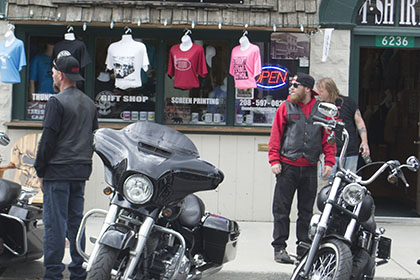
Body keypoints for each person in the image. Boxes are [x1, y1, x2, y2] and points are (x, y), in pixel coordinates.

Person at [34, 54, 98, 280]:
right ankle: (77, 272)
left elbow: (47, 140)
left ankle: (53, 274)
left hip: (57, 171)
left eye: (53, 71)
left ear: (60, 75)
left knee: (54, 224)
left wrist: (40, 170)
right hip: (79, 171)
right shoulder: (90, 104)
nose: (51, 74)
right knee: (75, 223)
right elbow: (93, 138)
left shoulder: (56, 102)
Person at [268, 73, 336, 264]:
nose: (291, 88)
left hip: (309, 168)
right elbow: (276, 135)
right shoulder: (285, 106)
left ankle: (303, 247)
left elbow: (328, 138)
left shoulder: (321, 109)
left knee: (306, 211)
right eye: (291, 85)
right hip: (287, 166)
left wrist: (329, 161)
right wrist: (274, 160)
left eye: (295, 85)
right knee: (281, 209)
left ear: (307, 88)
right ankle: (279, 247)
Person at [316, 77, 370, 176]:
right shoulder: (320, 106)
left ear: (329, 90)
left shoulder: (348, 102)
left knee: (348, 180)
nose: (319, 94)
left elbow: (359, 122)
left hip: (349, 149)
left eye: (321, 91)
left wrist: (364, 142)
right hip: (330, 151)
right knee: (326, 178)